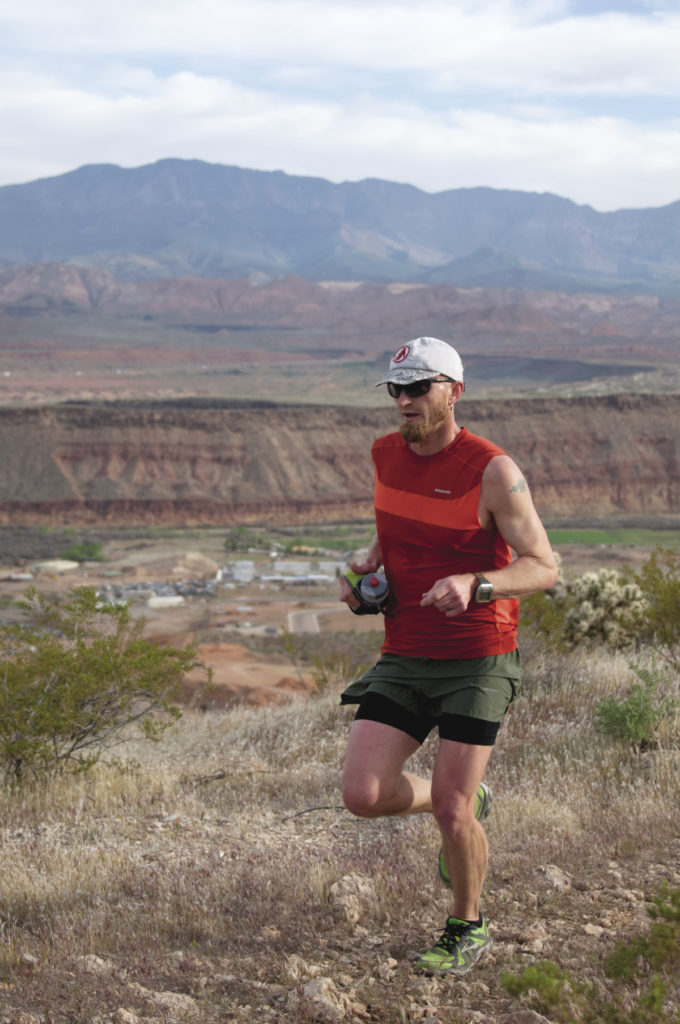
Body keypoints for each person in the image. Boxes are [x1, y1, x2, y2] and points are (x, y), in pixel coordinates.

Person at [339, 336, 558, 976]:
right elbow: (393, 527)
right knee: (362, 793)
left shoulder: (493, 471)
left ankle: (467, 924)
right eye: (395, 390)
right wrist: (369, 569)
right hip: (406, 648)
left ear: (454, 391)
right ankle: (469, 796)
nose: (404, 402)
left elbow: (545, 567)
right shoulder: (385, 453)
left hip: (478, 656)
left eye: (418, 388)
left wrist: (477, 583)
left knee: (450, 809)